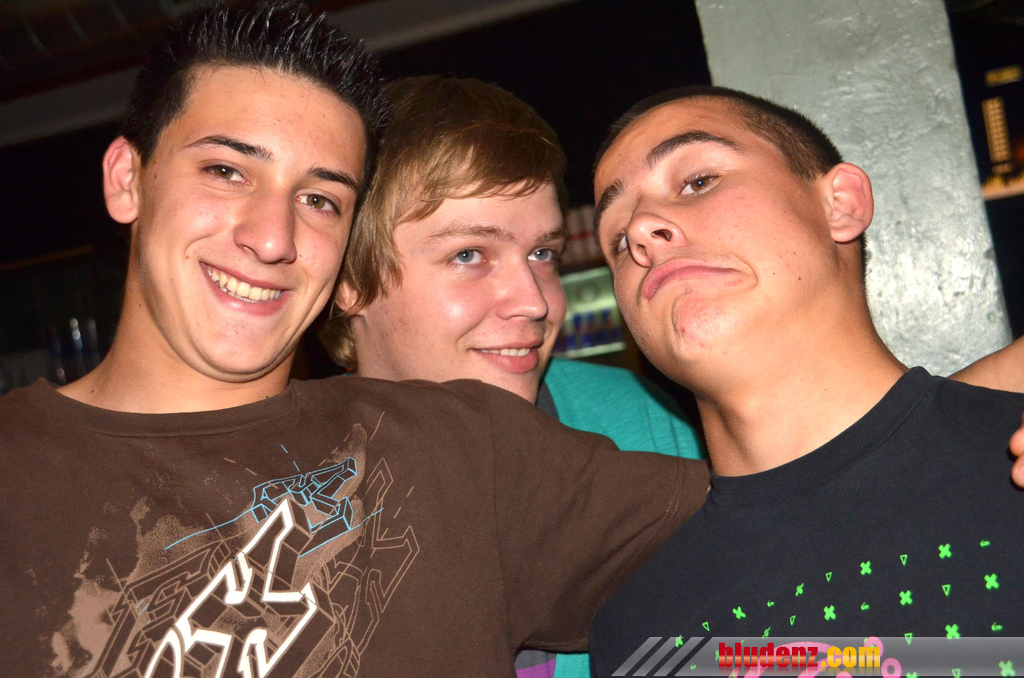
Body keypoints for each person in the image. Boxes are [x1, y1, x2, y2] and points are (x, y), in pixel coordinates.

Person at [0, 5, 714, 676]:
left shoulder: (463, 448)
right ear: (127, 179)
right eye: (226, 171)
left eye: (320, 200)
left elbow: (770, 585)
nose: (273, 237)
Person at [586, 86, 1024, 676]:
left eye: (698, 181)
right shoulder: (639, 637)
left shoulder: (1010, 462)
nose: (641, 229)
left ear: (840, 204)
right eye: (617, 239)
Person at [322, 75, 702, 678]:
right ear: (349, 279)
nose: (534, 301)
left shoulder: (663, 428)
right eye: (468, 255)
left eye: (542, 254)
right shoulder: (272, 493)